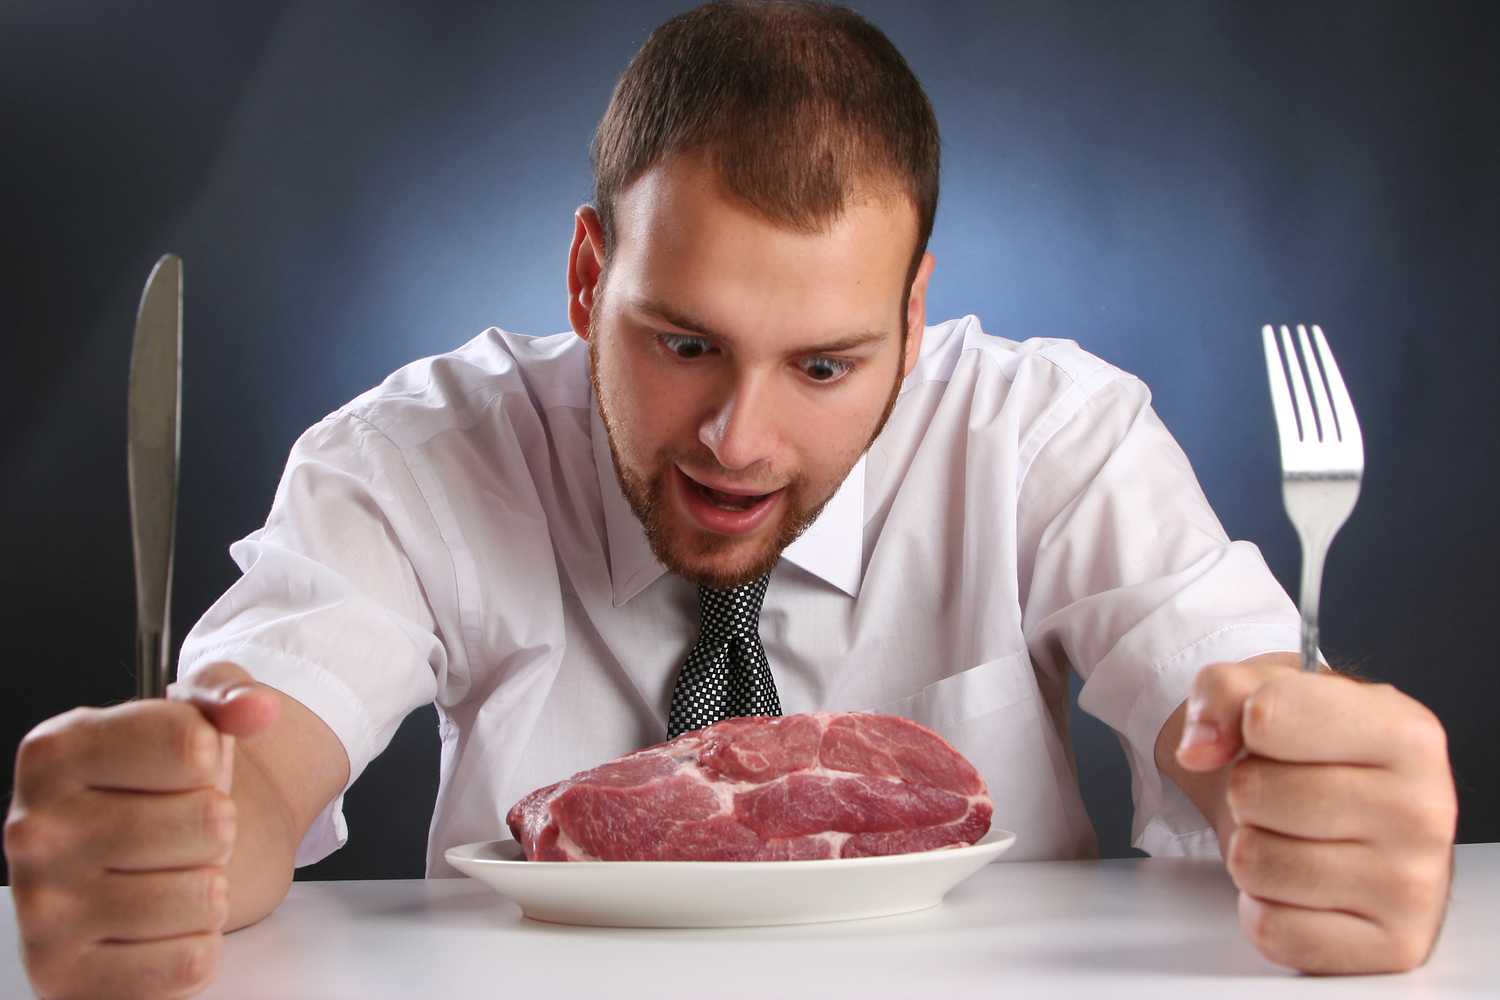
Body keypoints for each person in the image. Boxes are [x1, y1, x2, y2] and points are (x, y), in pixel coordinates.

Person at [5, 3, 1456, 997]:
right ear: (589, 279)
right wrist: (168, 832)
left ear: (915, 310)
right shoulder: (421, 458)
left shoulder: (1047, 435)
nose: (738, 442)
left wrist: (1318, 797)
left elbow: (1239, 715)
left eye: (826, 363)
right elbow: (251, 774)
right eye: (681, 342)